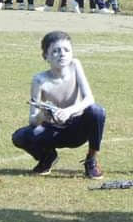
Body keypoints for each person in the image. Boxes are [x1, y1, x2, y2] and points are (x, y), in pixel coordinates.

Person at [11, 31, 105, 179]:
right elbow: (33, 120)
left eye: (66, 50)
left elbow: (89, 99)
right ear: (45, 57)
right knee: (20, 137)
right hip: (53, 131)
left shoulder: (75, 65)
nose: (62, 54)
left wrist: (69, 111)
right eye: (55, 51)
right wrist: (43, 114)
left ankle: (91, 160)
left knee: (97, 111)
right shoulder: (39, 80)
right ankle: (47, 157)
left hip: (77, 130)